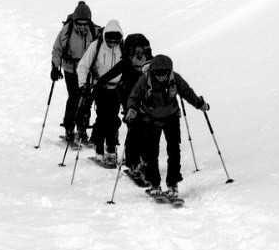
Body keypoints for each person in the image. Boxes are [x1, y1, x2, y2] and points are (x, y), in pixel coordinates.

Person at [124, 54, 209, 199]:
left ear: (169, 71)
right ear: (152, 71)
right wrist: (131, 109)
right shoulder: (144, 80)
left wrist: (199, 104)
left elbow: (187, 93)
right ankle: (155, 184)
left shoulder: (175, 78)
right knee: (151, 152)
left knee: (174, 150)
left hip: (171, 118)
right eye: (158, 73)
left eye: (164, 73)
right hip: (150, 119)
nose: (161, 76)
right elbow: (134, 97)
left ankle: (172, 184)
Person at [76, 21, 128, 167]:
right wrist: (82, 85)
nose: (112, 44)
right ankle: (99, 147)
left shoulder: (122, 47)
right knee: (103, 117)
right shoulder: (97, 45)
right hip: (99, 87)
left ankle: (111, 148)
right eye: (110, 41)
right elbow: (83, 66)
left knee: (113, 118)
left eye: (115, 41)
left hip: (116, 88)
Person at [48, 1, 100, 145]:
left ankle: (82, 128)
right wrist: (54, 67)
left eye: (85, 23)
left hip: (87, 70)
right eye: (80, 23)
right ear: (75, 21)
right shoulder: (66, 30)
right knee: (74, 97)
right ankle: (69, 128)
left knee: (86, 99)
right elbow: (57, 50)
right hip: (70, 69)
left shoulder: (94, 31)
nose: (82, 26)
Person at [117, 34, 153, 180]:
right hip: (128, 97)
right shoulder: (125, 63)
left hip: (144, 100)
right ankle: (133, 162)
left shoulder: (150, 62)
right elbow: (110, 78)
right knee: (134, 127)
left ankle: (143, 161)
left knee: (145, 129)